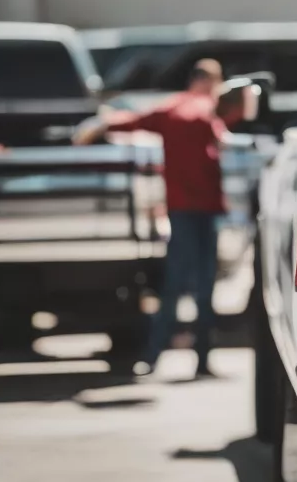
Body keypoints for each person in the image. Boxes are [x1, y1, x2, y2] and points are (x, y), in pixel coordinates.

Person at [74, 59, 248, 377]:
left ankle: (153, 357)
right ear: (211, 81)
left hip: (180, 209)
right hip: (204, 212)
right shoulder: (207, 110)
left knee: (173, 287)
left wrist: (99, 125)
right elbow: (222, 139)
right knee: (203, 288)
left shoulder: (169, 109)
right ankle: (201, 360)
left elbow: (132, 122)